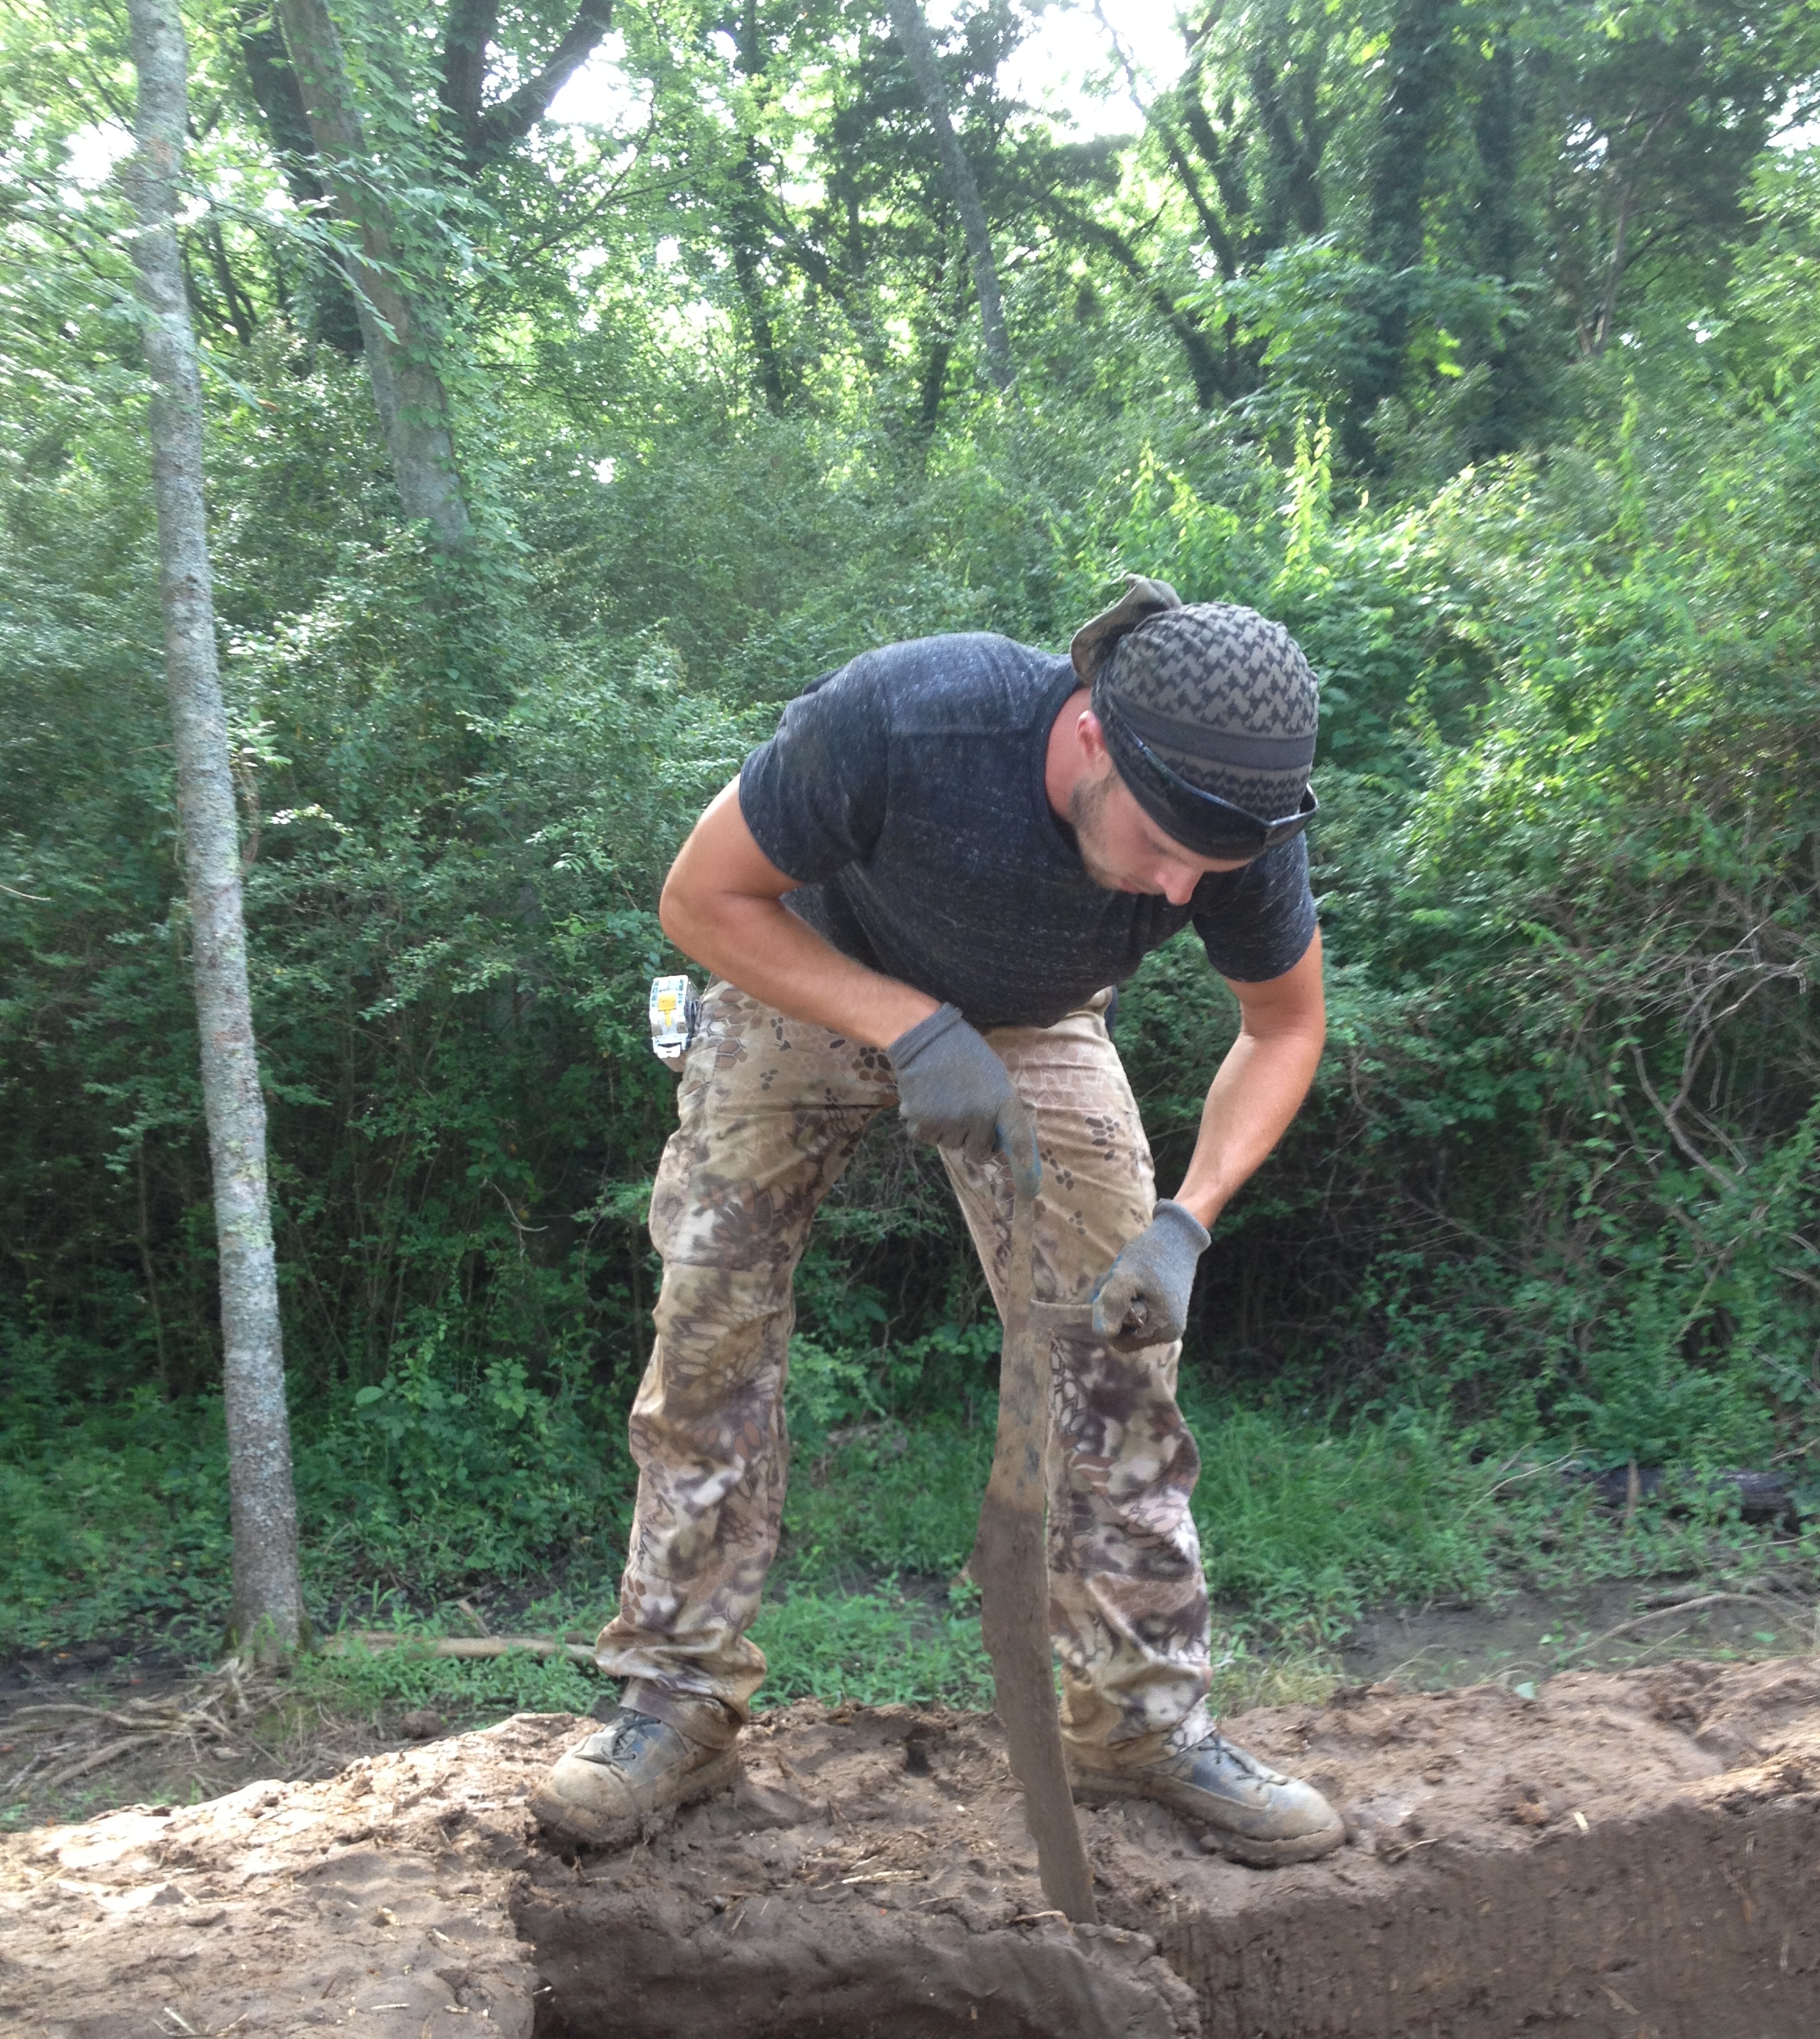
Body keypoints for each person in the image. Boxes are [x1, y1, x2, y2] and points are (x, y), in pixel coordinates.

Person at [532, 577, 1345, 1867]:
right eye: (1164, 846)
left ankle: (1139, 1725)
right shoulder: (913, 718)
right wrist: (910, 1027)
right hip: (799, 970)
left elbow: (1284, 1024)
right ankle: (675, 1698)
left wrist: (1188, 1220)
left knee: (1116, 1353)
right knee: (710, 1316)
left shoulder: (1230, 815)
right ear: (1090, 736)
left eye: (1217, 864)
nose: (1185, 891)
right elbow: (700, 899)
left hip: (1038, 1022)